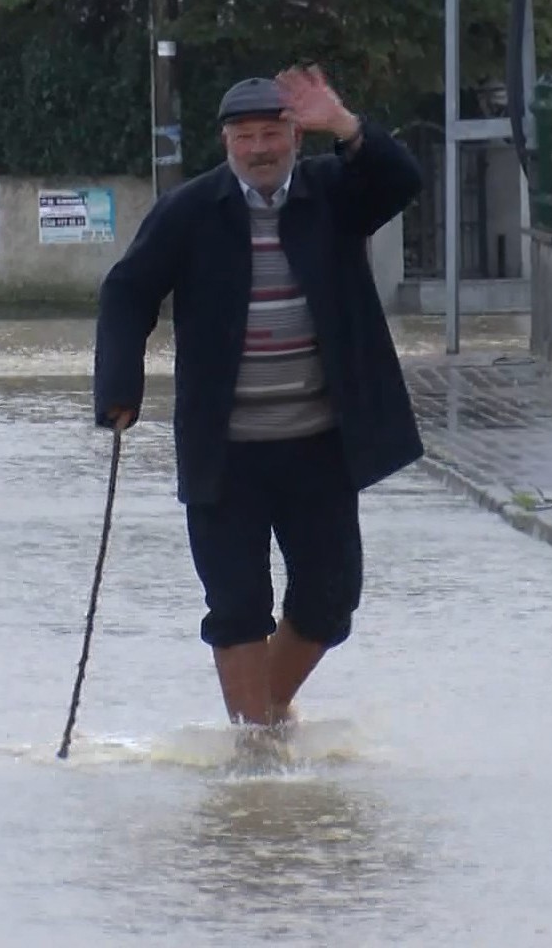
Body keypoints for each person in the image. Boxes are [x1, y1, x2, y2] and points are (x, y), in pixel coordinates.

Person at [93, 65, 425, 733]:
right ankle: (256, 749)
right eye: (244, 137)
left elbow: (401, 182)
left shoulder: (334, 193)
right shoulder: (190, 212)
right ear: (226, 144)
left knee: (331, 601)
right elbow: (127, 292)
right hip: (226, 449)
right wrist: (119, 391)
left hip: (320, 442)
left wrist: (348, 126)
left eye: (272, 133)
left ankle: (264, 714)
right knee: (237, 601)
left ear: (295, 137)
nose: (259, 149)